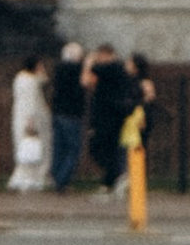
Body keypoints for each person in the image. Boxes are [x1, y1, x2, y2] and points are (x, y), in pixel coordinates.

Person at [86, 39, 135, 194]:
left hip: (110, 115)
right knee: (106, 148)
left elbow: (92, 71)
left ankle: (112, 179)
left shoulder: (114, 67)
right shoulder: (115, 69)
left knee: (103, 147)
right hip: (107, 114)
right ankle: (110, 180)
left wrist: (89, 60)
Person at [48, 39, 87, 193]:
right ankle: (62, 180)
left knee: (59, 147)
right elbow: (83, 83)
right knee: (73, 149)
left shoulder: (59, 68)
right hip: (71, 114)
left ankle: (56, 176)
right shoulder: (76, 69)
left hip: (58, 112)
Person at [8, 51, 48, 191]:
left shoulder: (19, 78)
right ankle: (30, 179)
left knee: (22, 147)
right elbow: (31, 101)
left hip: (19, 116)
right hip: (31, 118)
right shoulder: (31, 81)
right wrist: (31, 122)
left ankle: (20, 178)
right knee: (33, 150)